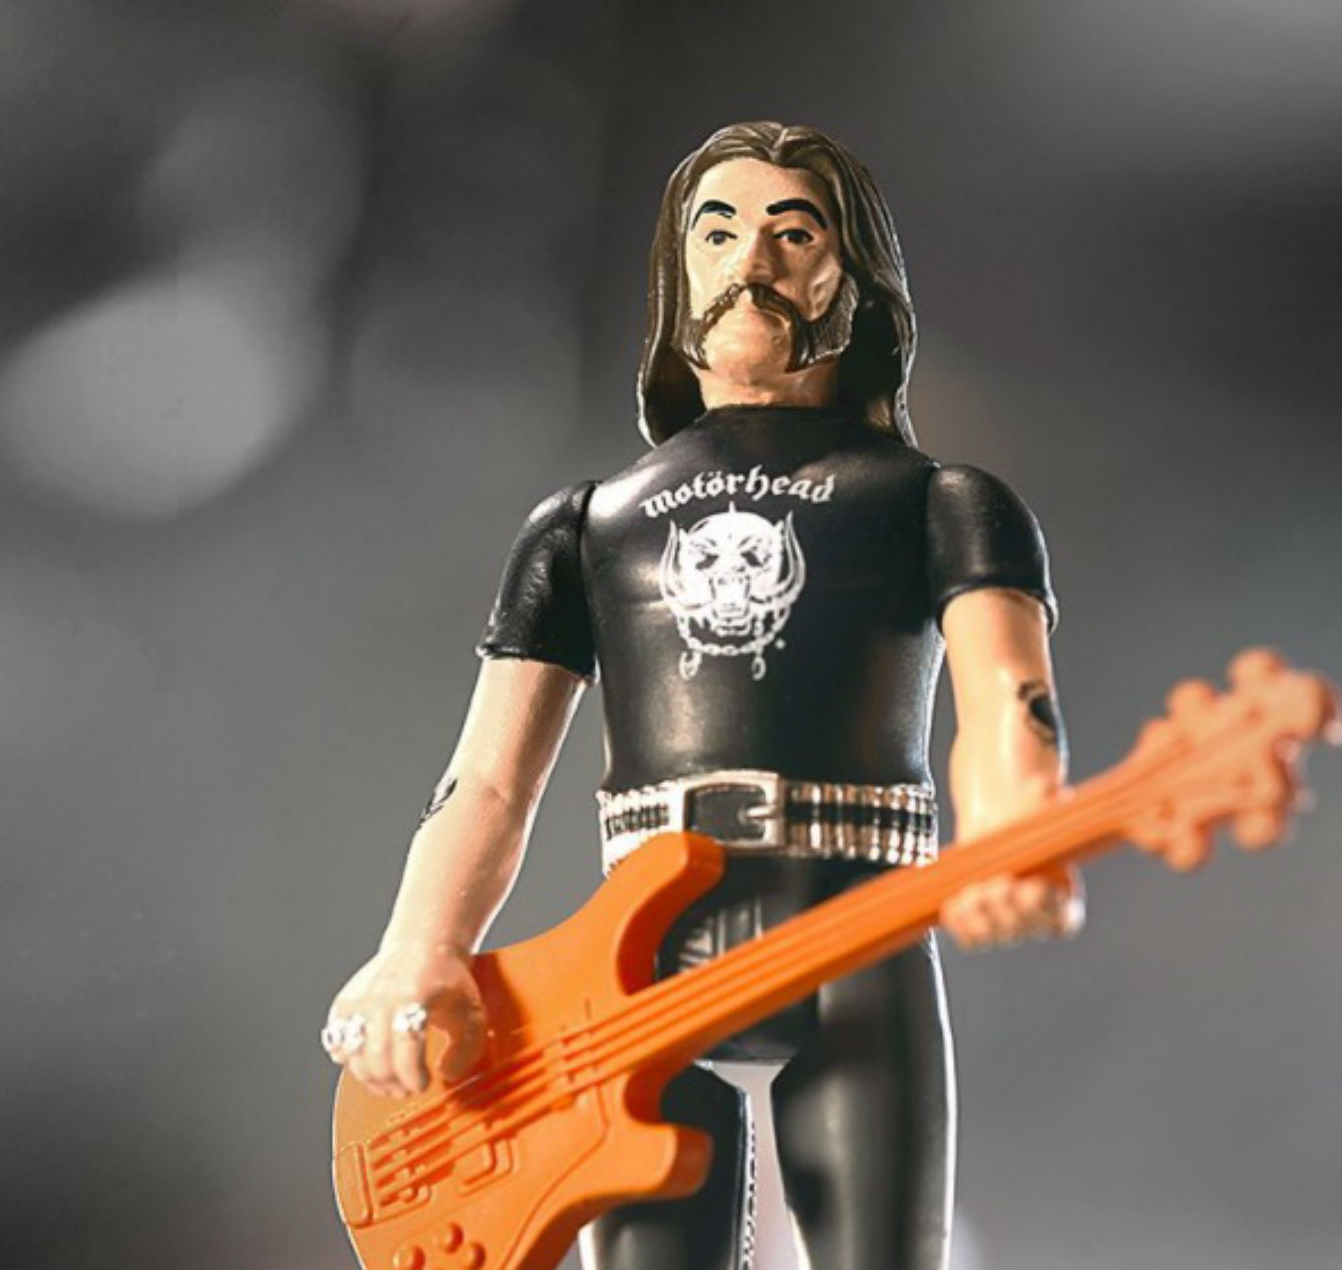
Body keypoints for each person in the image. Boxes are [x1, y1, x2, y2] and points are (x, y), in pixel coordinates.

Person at [323, 121, 1083, 1270]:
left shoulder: (939, 502)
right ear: (674, 276)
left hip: (852, 924)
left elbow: (1003, 701)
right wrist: (416, 947)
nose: (751, 259)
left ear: (855, 278)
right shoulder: (585, 526)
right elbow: (485, 779)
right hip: (634, 955)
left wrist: (1015, 831)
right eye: (716, 232)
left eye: (795, 231)